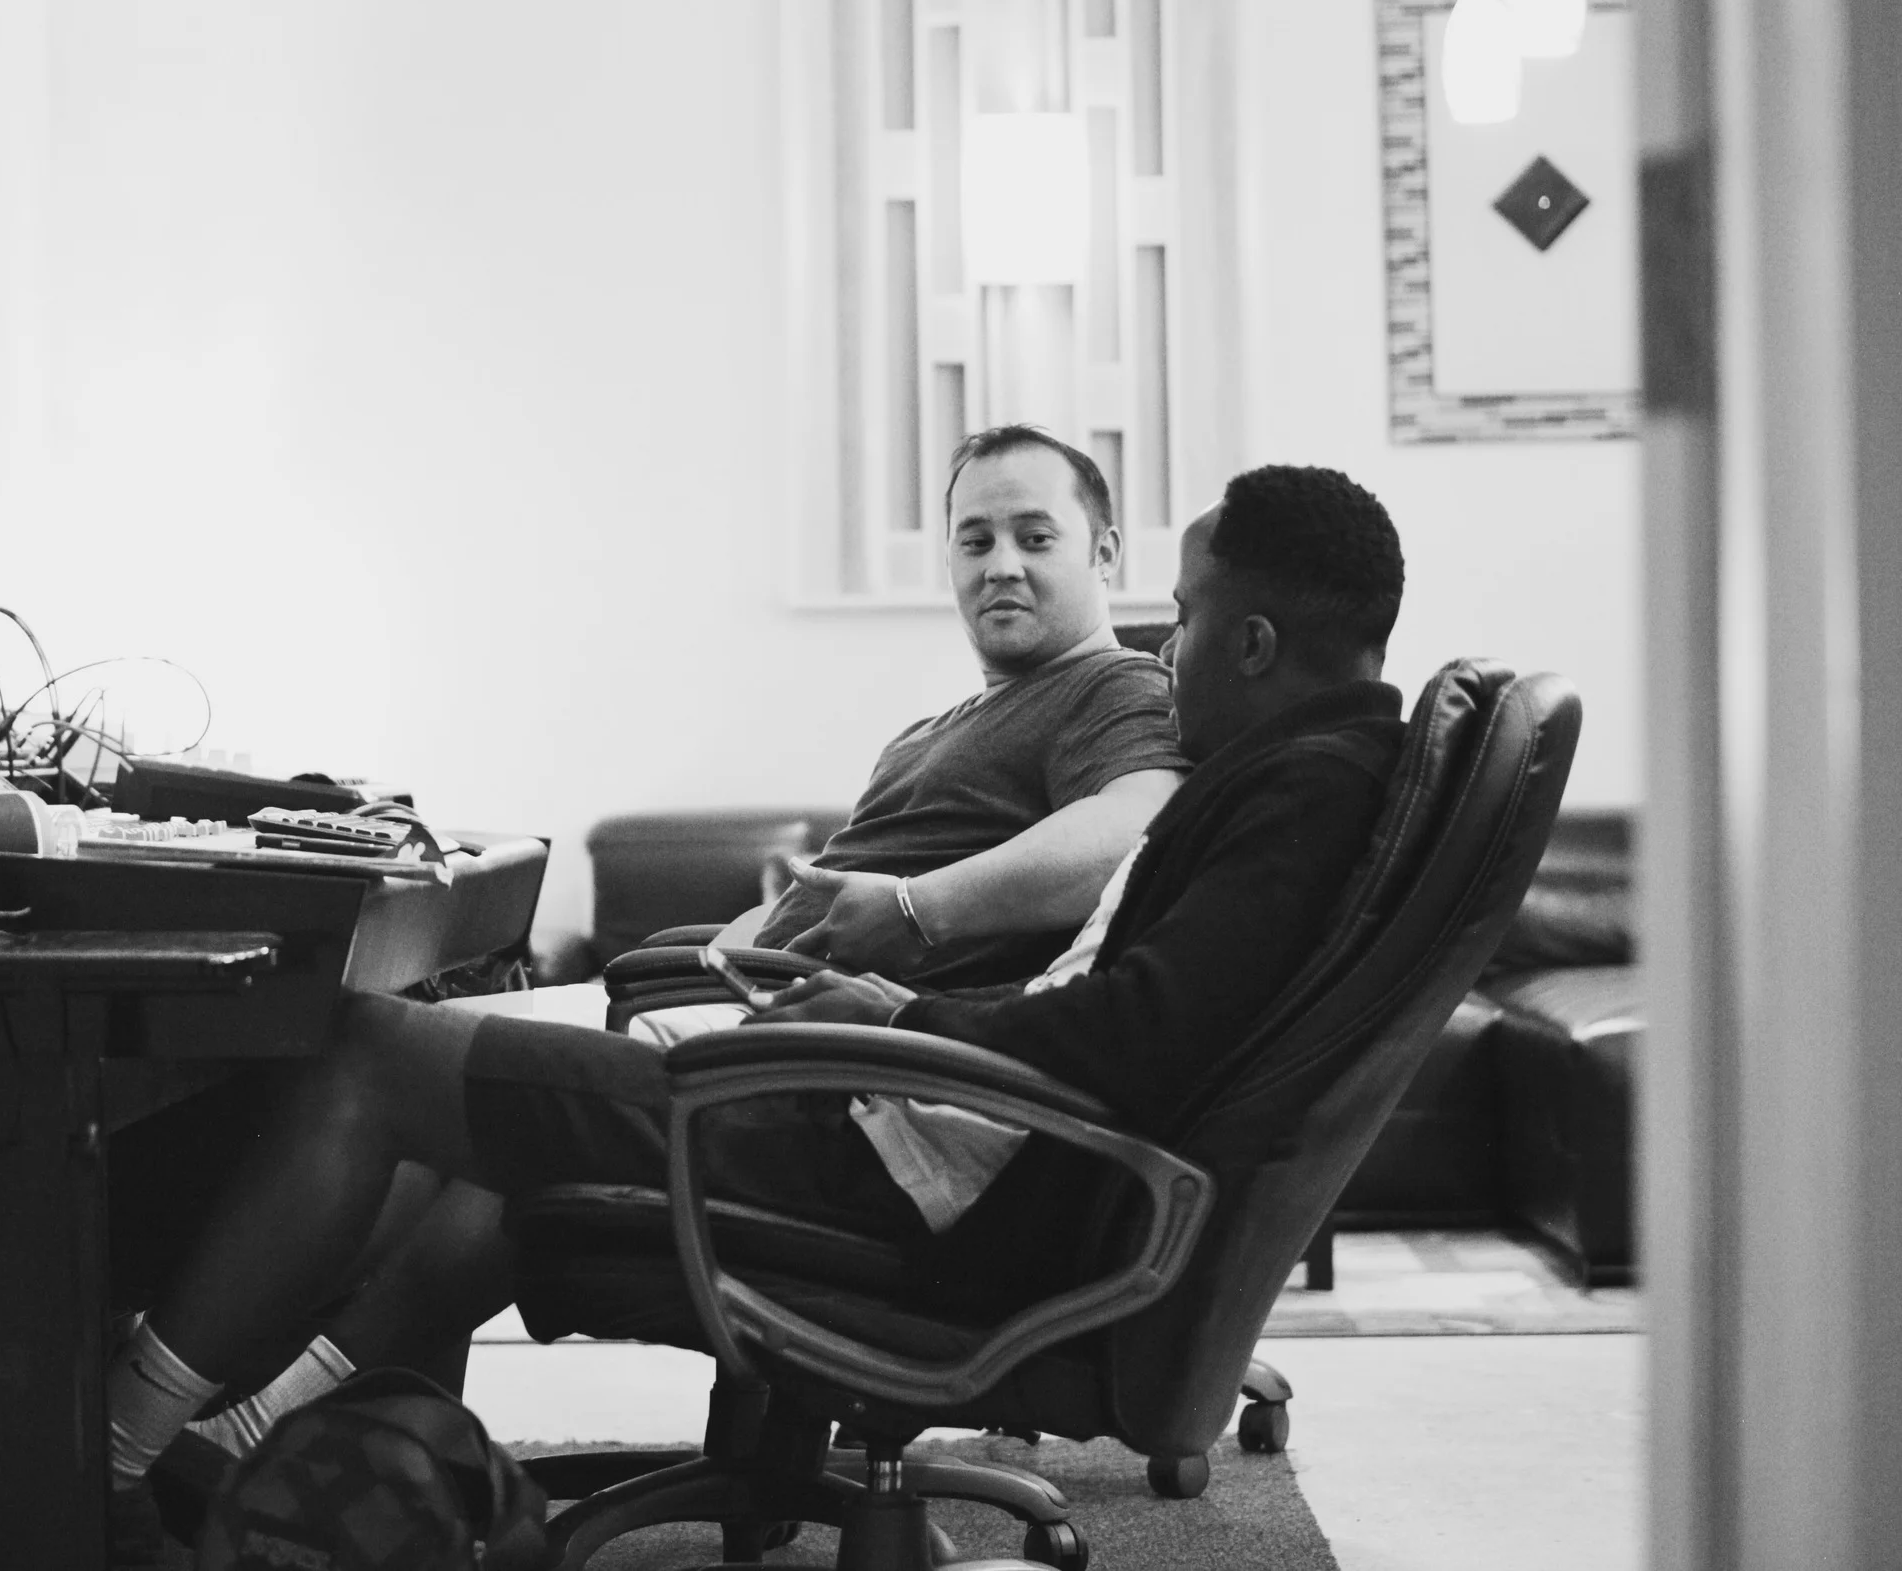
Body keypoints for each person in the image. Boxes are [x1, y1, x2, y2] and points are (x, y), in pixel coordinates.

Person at [102, 466, 1409, 1562]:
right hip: (913, 1131)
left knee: (368, 1051)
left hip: (908, 1170)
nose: (1166, 648)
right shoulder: (1316, 777)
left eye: (1184, 614)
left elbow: (1130, 1038)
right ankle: (254, 1445)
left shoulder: (1288, 794)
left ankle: (107, 1457)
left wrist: (902, 1014)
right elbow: (1122, 1018)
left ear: (1252, 643)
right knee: (455, 1075)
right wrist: (889, 1006)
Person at [747, 425, 1187, 987]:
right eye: (975, 543)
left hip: (836, 1029)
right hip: (745, 996)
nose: (1001, 566)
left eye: (1035, 538)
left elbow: (1141, 834)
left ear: (1104, 553)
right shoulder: (918, 736)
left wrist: (915, 909)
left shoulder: (1117, 684)